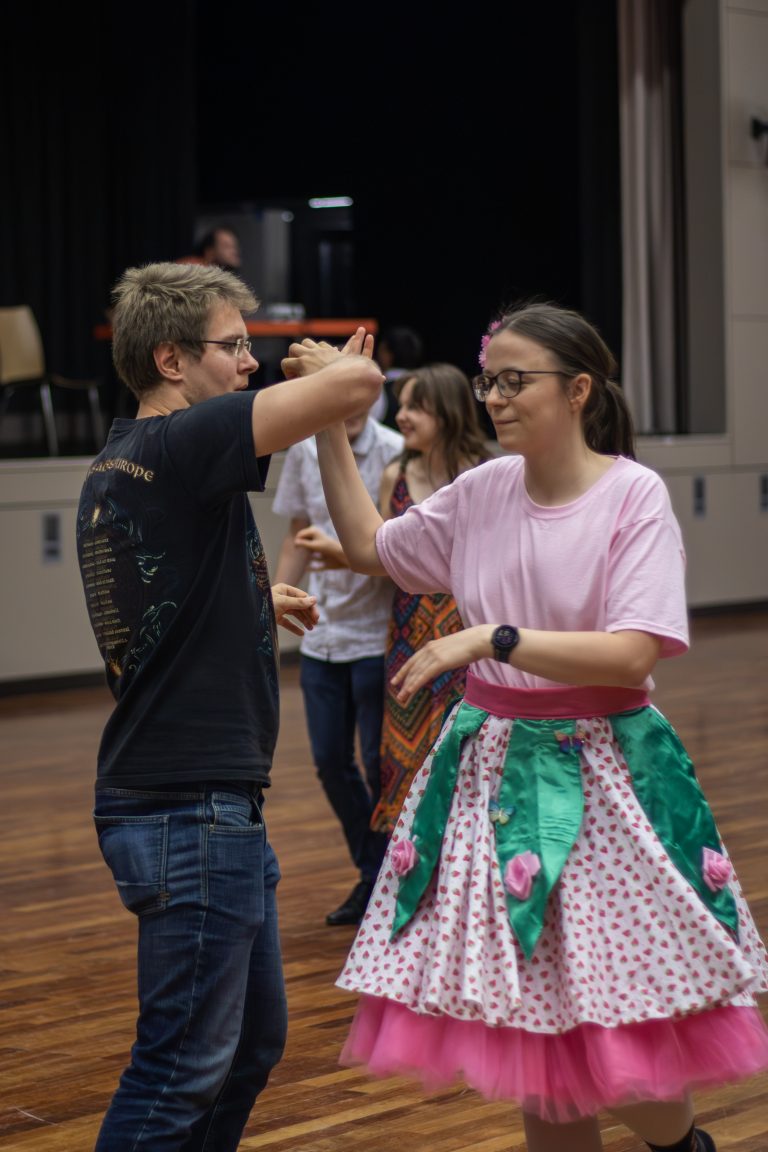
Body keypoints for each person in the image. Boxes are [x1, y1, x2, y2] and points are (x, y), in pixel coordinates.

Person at [287, 303, 768, 1152]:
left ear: (578, 391)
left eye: (516, 382)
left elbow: (631, 654)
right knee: (535, 1027)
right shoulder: (484, 489)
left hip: (604, 776)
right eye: (489, 383)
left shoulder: (632, 494)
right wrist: (329, 417)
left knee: (613, 1034)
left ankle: (683, 1146)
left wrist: (493, 639)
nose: (496, 399)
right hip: (494, 771)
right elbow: (368, 545)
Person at [75, 261, 383, 1151]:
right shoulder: (183, 440)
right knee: (178, 1071)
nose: (251, 363)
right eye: (234, 346)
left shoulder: (126, 462)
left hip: (200, 804)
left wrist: (252, 600)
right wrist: (329, 367)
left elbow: (158, 595)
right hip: (188, 809)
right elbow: (360, 388)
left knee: (249, 1047)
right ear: (171, 360)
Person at [272, 405, 403, 925]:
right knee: (329, 760)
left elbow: (401, 550)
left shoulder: (394, 450)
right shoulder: (305, 448)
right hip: (321, 634)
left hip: (376, 634)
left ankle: (389, 878)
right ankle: (376, 871)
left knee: (378, 764)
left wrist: (342, 552)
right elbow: (297, 532)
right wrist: (271, 604)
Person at [371, 363, 491, 832]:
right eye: (400, 405)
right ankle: (410, 858)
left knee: (467, 753)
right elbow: (381, 554)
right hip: (408, 632)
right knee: (407, 751)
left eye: (415, 407)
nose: (401, 416)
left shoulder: (485, 473)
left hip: (470, 633)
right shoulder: (395, 475)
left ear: (446, 411)